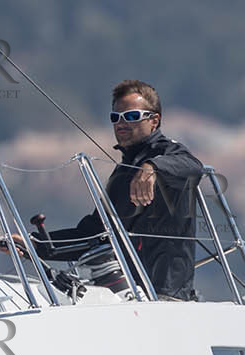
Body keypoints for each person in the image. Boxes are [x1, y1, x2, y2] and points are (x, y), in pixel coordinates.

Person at [33, 80, 205, 300]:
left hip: (165, 294)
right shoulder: (123, 172)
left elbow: (193, 167)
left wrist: (152, 168)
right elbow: (95, 234)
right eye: (116, 117)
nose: (122, 123)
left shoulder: (168, 152)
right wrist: (34, 244)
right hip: (130, 295)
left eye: (131, 116)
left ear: (154, 120)